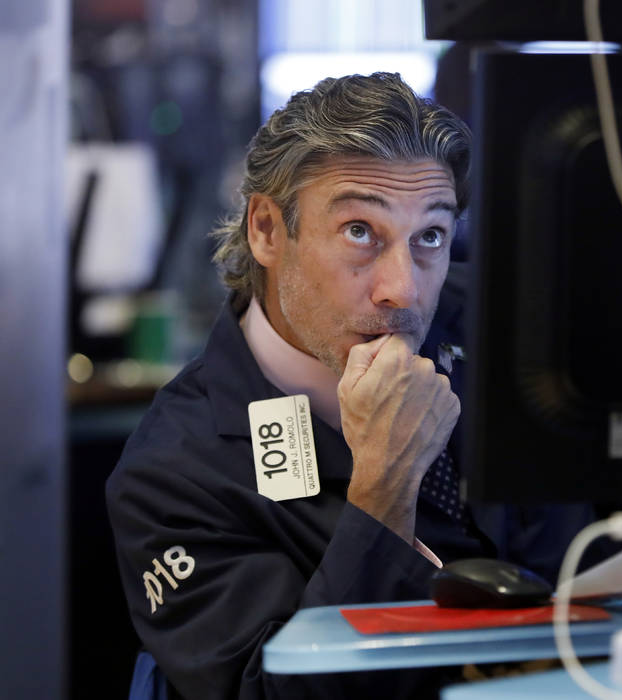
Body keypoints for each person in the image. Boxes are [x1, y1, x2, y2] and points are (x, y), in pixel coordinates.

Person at [106, 72, 594, 700]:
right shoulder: (173, 472)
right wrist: (384, 484)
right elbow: (267, 693)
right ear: (267, 231)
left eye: (430, 237)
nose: (404, 289)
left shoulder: (507, 330)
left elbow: (574, 545)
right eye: (360, 231)